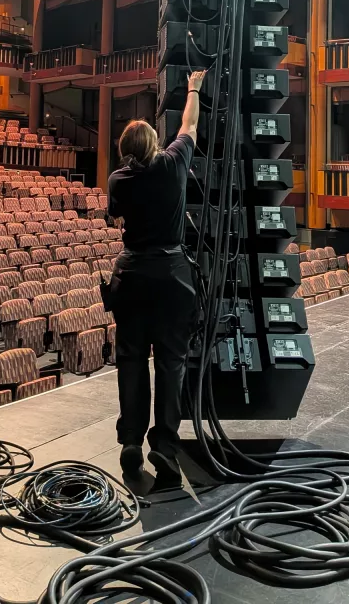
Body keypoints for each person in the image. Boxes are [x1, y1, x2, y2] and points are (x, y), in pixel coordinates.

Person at [106, 70, 206, 487]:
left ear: (125, 150)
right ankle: (164, 446)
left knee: (131, 360)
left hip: (132, 276)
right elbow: (189, 125)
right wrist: (194, 87)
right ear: (154, 145)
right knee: (171, 365)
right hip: (171, 276)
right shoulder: (173, 164)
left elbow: (115, 217)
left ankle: (130, 439)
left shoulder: (118, 180)